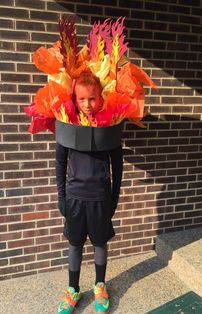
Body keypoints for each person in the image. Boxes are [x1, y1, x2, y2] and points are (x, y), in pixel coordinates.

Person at [56, 72, 123, 314]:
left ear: (101, 99)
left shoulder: (111, 129)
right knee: (74, 245)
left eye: (92, 99)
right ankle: (73, 289)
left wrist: (114, 198)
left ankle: (100, 286)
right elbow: (60, 164)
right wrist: (61, 197)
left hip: (100, 200)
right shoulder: (66, 126)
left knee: (100, 244)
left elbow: (118, 166)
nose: (87, 105)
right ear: (74, 100)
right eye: (82, 99)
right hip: (74, 199)